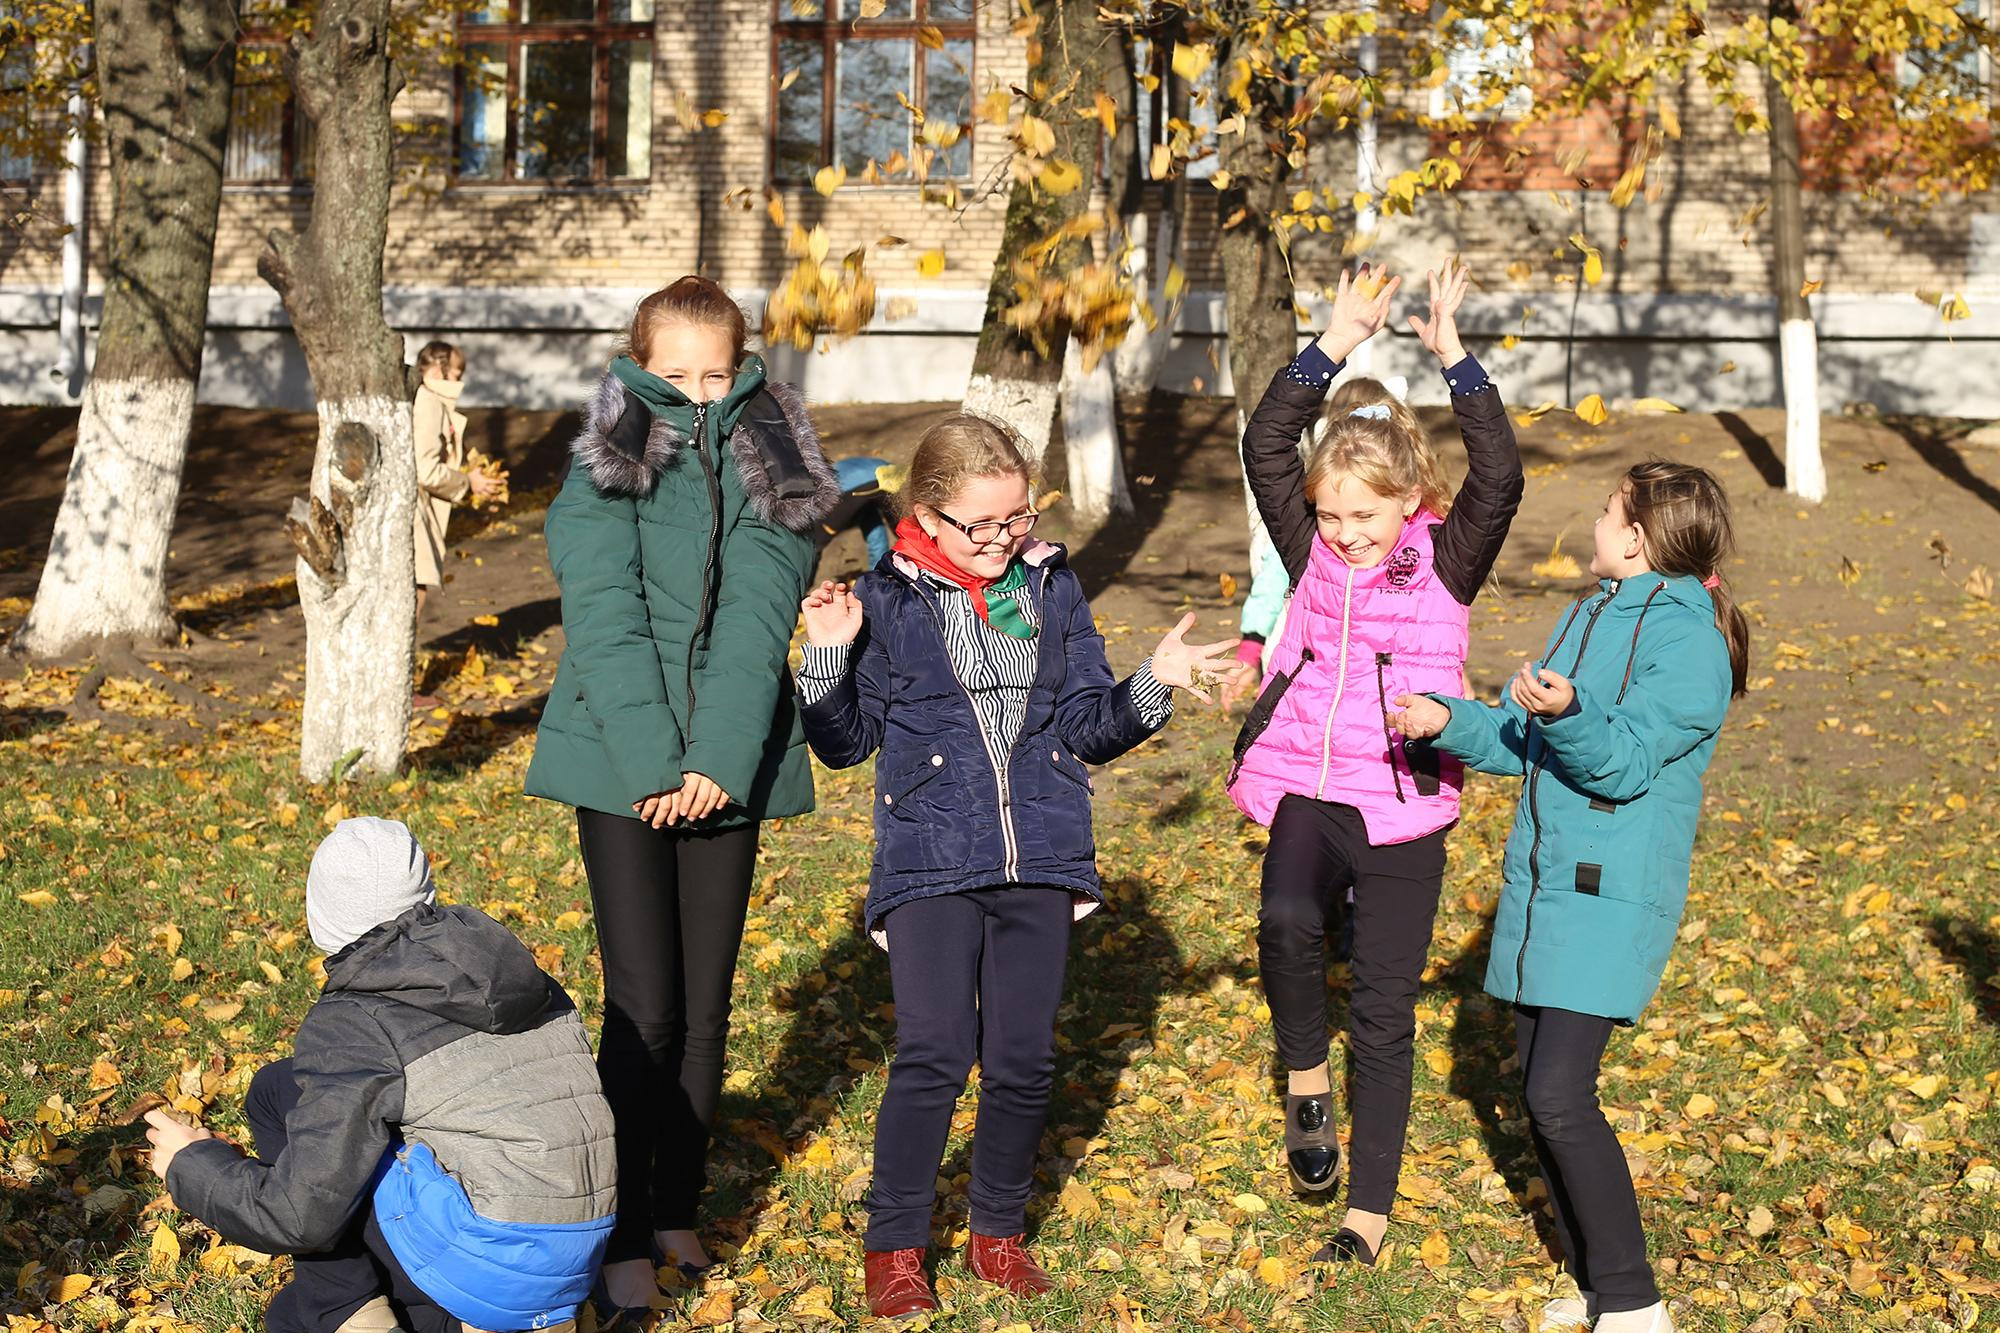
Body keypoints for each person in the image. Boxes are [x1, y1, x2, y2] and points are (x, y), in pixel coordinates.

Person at [793, 414, 1238, 1319]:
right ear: (926, 511)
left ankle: (997, 1232)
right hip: (929, 853)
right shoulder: (886, 598)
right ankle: (896, 1247)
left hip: (1039, 847)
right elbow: (844, 744)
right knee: (932, 1050)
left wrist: (1150, 683)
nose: (1003, 539)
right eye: (981, 525)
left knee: (1025, 1059)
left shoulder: (1052, 585)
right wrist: (828, 657)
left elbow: (1086, 726)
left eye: (1016, 519)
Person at [522, 276, 840, 1319]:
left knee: (706, 1007)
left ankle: (673, 1203)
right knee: (643, 1006)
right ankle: (612, 1232)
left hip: (729, 756)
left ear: (744, 364)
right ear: (636, 362)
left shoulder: (780, 455)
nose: (699, 396)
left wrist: (715, 760)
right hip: (622, 763)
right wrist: (661, 765)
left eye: (718, 374)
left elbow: (758, 615)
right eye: (676, 375)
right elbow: (604, 615)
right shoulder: (607, 455)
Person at [1391, 462, 1748, 1333]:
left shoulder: (1690, 641)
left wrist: (1569, 711)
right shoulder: (1590, 611)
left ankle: (1634, 1300)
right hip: (1545, 882)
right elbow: (1523, 740)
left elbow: (1620, 759)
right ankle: (1595, 1284)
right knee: (1537, 1090)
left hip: (1612, 892)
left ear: (1637, 536)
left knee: (1557, 1093)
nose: (1592, 523)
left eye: (1605, 511)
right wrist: (1451, 718)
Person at [1229, 259, 1524, 1265]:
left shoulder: (1447, 558)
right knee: (1283, 918)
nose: (1347, 535)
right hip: (1312, 788)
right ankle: (1305, 1081)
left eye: (1365, 515)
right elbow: (1265, 439)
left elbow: (1501, 475)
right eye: (1332, 515)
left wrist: (1453, 358)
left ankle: (1367, 1211)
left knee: (1386, 1008)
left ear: (1406, 500)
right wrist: (1332, 343)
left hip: (1404, 806)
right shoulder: (1309, 544)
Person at [145, 817, 616, 1333]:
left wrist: (192, 1164)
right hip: (580, 1249)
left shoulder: (355, 1021)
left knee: (293, 1307)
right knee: (281, 1085)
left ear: (319, 915)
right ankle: (376, 1309)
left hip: (485, 1259)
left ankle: (353, 1312)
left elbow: (299, 1214)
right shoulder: (521, 974)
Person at [411, 341, 502, 627]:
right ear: (439, 370)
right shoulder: (428, 401)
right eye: (457, 372)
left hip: (417, 506)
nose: (460, 380)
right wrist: (467, 482)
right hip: (413, 510)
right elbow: (424, 469)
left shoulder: (428, 399)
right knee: (415, 588)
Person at [816, 455, 901, 570]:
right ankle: (879, 573)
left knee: (817, 543)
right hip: (888, 470)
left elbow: (815, 549)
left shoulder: (828, 511)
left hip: (874, 480)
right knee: (874, 525)